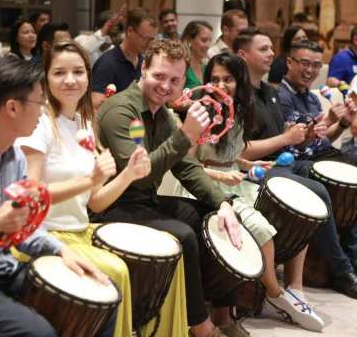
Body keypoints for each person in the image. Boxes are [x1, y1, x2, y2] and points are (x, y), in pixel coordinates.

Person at [17, 40, 187, 337]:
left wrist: (128, 174)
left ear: (88, 77)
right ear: (46, 78)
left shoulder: (83, 124)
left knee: (172, 254)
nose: (70, 80)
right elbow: (31, 196)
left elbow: (95, 203)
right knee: (118, 272)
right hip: (45, 234)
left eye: (78, 72)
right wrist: (89, 179)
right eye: (59, 73)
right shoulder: (39, 125)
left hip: (81, 228)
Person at [0, 56, 113, 337]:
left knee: (101, 296)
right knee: (39, 333)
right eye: (39, 102)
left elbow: (25, 227)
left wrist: (59, 249)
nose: (43, 111)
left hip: (5, 268)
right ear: (13, 108)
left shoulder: (14, 156)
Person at [97, 38, 243, 337]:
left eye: (175, 80)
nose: (166, 86)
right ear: (143, 69)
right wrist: (185, 135)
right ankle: (199, 325)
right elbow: (139, 176)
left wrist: (222, 203)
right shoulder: (120, 110)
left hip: (142, 203)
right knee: (185, 234)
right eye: (159, 76)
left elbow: (186, 167)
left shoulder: (162, 113)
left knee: (213, 217)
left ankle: (220, 309)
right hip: (112, 206)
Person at [173, 53, 324, 332]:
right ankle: (275, 293)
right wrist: (220, 173)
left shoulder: (239, 110)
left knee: (294, 218)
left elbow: (231, 151)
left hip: (235, 180)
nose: (221, 84)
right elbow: (187, 164)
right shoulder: (200, 113)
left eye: (227, 79)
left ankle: (293, 288)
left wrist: (247, 163)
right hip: (205, 185)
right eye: (215, 78)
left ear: (239, 81)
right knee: (260, 230)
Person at [233, 28, 357, 298]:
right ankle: (341, 269)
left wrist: (308, 134)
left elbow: (291, 140)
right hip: (260, 168)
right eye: (264, 49)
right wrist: (290, 138)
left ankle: (330, 271)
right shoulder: (245, 95)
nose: (271, 53)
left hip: (285, 161)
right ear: (243, 55)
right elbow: (239, 151)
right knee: (318, 189)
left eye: (271, 48)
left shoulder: (271, 92)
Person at [277, 41, 355, 160]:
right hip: (303, 163)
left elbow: (320, 140)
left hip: (326, 155)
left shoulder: (312, 98)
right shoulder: (280, 96)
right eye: (305, 63)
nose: (310, 70)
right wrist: (328, 120)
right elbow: (295, 145)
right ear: (289, 62)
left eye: (316, 65)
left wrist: (343, 123)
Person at [91, 7, 158, 111]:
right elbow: (96, 105)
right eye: (145, 38)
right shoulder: (107, 63)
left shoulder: (143, 62)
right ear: (130, 31)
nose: (149, 44)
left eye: (152, 40)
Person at [181, 20, 213, 89]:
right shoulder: (182, 66)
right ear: (190, 40)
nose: (208, 46)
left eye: (210, 41)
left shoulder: (205, 66)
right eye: (204, 40)